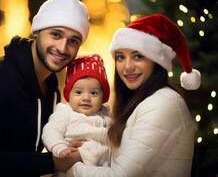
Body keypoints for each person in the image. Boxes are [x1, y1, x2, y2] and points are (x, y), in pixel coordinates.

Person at [0, 0, 89, 177]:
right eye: (56, 35)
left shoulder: (52, 88)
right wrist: (52, 162)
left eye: (73, 41)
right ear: (37, 31)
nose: (62, 48)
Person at [57, 13, 201, 177]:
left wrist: (70, 166)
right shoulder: (138, 102)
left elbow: (121, 175)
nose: (127, 67)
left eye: (138, 56)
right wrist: (83, 150)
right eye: (120, 57)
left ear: (157, 61)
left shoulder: (163, 103)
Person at [42, 54, 111, 176]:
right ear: (69, 95)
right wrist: (59, 146)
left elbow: (114, 142)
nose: (86, 98)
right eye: (78, 92)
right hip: (69, 167)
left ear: (103, 97)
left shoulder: (106, 116)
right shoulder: (65, 111)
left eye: (93, 93)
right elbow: (51, 131)